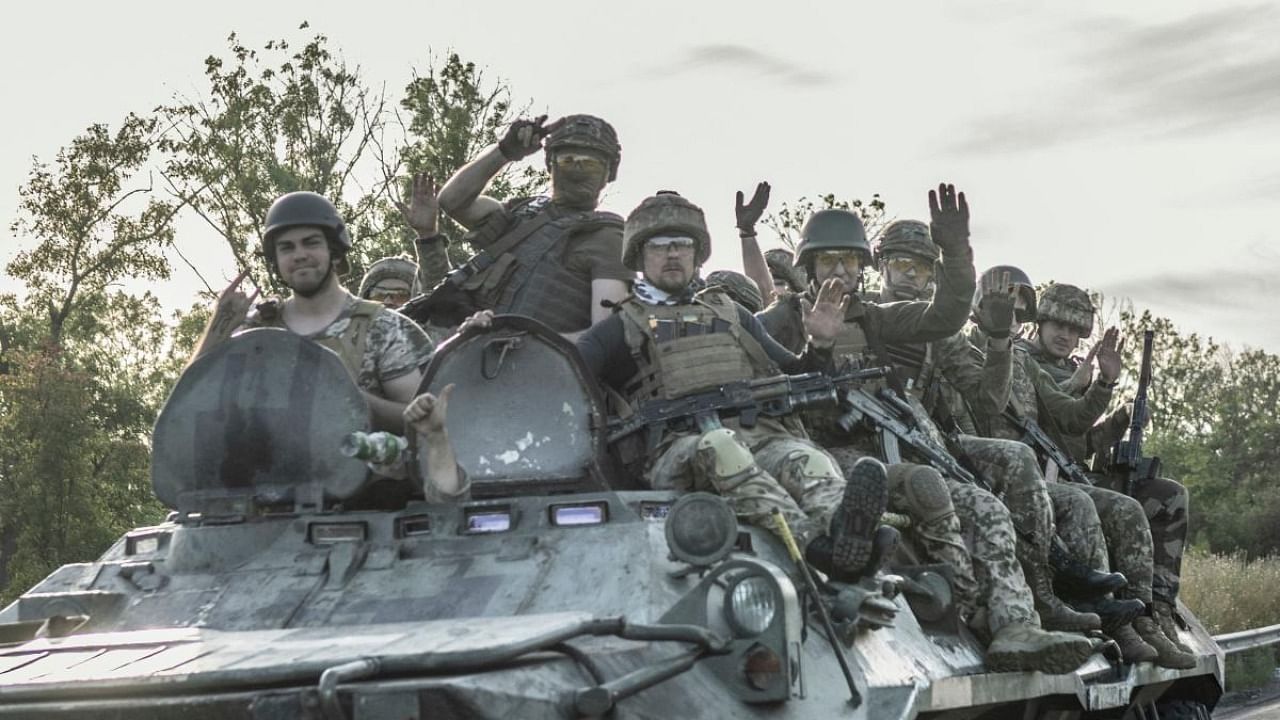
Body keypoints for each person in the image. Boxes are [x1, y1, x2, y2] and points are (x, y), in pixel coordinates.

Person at [757, 188, 1096, 673]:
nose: (839, 273)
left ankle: (1015, 626)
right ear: (808, 266)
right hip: (827, 458)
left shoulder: (873, 318)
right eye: (828, 261)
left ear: (862, 270)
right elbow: (761, 396)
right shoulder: (779, 321)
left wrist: (957, 253)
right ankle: (967, 610)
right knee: (925, 486)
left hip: (892, 449)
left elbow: (947, 315)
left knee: (988, 507)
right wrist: (818, 347)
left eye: (850, 263)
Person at [570, 190, 894, 582]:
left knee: (805, 456)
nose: (673, 254)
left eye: (683, 245)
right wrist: (485, 327)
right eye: (660, 246)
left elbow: (796, 374)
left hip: (760, 438)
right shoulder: (618, 329)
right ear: (640, 256)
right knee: (719, 445)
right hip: (677, 453)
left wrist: (821, 344)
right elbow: (559, 371)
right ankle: (817, 548)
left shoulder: (732, 314)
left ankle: (848, 535)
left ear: (697, 254)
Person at [959, 267, 1194, 668]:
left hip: (1034, 474)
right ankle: (1097, 617)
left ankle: (1141, 619)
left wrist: (1105, 387)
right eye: (1001, 311)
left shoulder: (1022, 362)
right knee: (1078, 505)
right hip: (986, 471)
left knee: (1130, 506)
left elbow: (1069, 419)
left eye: (1018, 315)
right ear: (978, 310)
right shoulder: (960, 351)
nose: (1009, 321)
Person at [1022, 282, 1194, 660]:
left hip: (1072, 470)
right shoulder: (1022, 361)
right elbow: (1061, 421)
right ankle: (1122, 619)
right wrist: (1100, 384)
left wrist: (1121, 421)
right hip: (1037, 474)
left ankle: (1155, 610)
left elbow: (1081, 444)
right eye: (1057, 326)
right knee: (1117, 508)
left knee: (1168, 496)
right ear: (1040, 323)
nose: (1065, 335)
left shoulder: (1071, 367)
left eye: (1074, 330)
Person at [192, 191, 434, 433]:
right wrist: (217, 328)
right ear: (275, 260)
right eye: (287, 248)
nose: (299, 255)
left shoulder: (380, 328)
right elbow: (189, 406)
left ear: (334, 251)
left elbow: (421, 421)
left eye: (311, 242)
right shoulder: (257, 329)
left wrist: (348, 397)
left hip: (364, 466)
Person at [424, 114, 632, 335]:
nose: (577, 170)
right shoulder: (521, 214)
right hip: (466, 355)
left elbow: (604, 336)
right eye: (567, 160)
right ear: (550, 165)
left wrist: (521, 345)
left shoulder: (608, 238)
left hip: (541, 365)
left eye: (590, 163)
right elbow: (451, 201)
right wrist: (505, 151)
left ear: (609, 173)